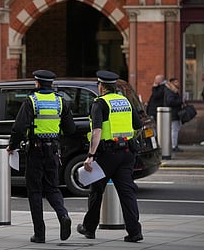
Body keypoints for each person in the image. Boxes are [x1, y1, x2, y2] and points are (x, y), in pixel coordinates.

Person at [7, 70, 76, 243]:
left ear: (37, 84)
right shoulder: (61, 102)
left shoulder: (31, 101)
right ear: (51, 84)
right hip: (53, 150)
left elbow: (19, 128)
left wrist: (12, 146)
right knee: (52, 188)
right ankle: (63, 214)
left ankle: (40, 234)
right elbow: (70, 129)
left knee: (35, 191)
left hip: (35, 151)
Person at [77, 70, 143, 243]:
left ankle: (89, 228)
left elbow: (97, 130)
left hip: (107, 154)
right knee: (127, 192)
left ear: (101, 86)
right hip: (127, 153)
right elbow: (138, 125)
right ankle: (135, 231)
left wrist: (90, 155)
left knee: (96, 190)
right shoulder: (126, 101)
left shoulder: (100, 103)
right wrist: (126, 139)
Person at [164, 77, 183, 152]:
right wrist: (180, 101)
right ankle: (174, 146)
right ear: (171, 83)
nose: (178, 84)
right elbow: (170, 102)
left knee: (175, 129)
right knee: (174, 130)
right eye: (176, 82)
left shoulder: (173, 91)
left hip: (174, 114)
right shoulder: (170, 92)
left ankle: (174, 145)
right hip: (173, 114)